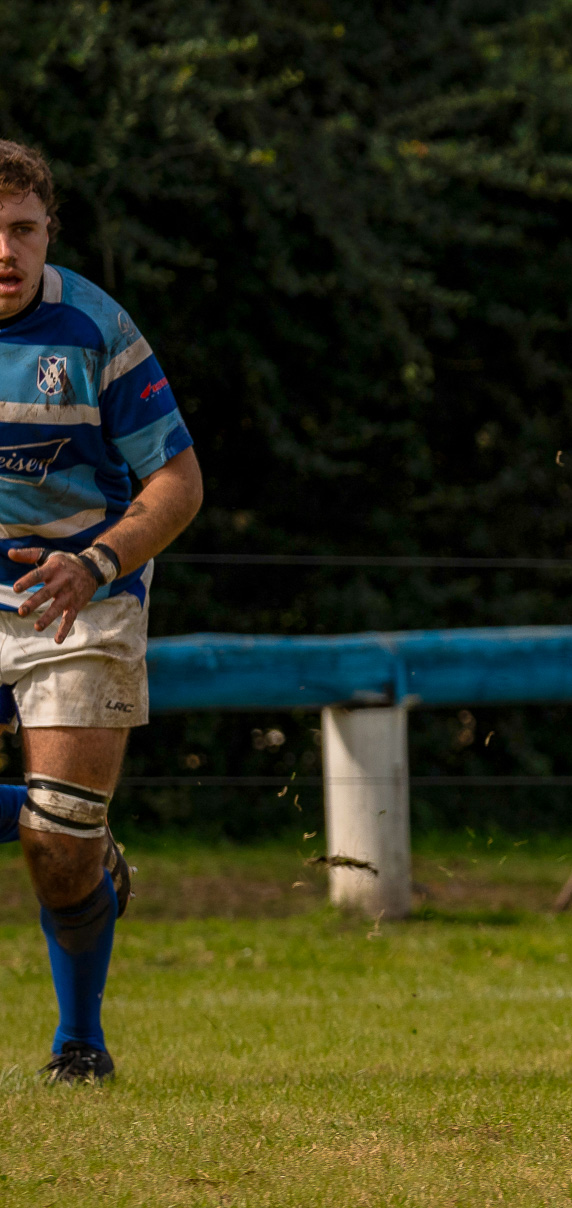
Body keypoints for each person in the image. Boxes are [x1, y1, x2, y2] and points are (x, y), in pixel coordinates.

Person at [0, 140, 203, 1084]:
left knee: (58, 854)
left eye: (22, 230)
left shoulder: (94, 329)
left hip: (82, 591)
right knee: (53, 821)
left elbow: (178, 482)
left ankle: (79, 1044)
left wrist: (96, 560)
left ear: (48, 234)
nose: (5, 250)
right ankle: (64, 816)